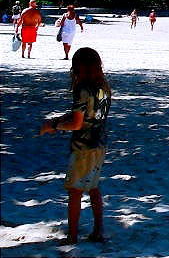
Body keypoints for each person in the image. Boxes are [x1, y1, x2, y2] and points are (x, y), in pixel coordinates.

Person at [39, 46, 111, 244]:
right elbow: (89, 115)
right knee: (94, 187)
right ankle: (98, 230)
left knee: (75, 191)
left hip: (83, 146)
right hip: (100, 143)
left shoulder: (82, 89)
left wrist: (54, 126)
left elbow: (77, 123)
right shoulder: (103, 86)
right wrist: (59, 120)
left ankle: (72, 236)